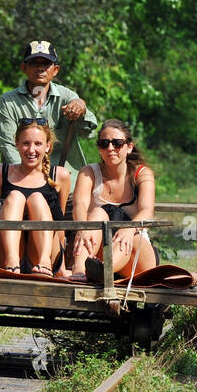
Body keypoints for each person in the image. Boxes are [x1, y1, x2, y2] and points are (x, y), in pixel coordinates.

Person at [69, 119, 157, 282]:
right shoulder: (88, 173)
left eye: (117, 143)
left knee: (126, 238)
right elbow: (79, 205)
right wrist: (82, 228)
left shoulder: (142, 174)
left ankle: (103, 272)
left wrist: (129, 229)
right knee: (95, 215)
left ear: (129, 147)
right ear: (99, 148)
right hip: (97, 252)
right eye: (104, 143)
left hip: (136, 253)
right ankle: (80, 269)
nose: (110, 148)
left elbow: (147, 211)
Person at [0, 40, 98, 176]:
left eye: (46, 64)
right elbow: (8, 146)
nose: (40, 68)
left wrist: (82, 109)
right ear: (23, 68)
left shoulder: (67, 96)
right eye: (34, 63)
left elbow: (88, 133)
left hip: (65, 178)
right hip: (21, 178)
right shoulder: (9, 101)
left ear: (55, 70)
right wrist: (31, 178)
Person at [0, 119, 71, 276]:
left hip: (42, 252)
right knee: (15, 196)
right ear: (16, 143)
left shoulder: (60, 176)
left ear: (48, 146)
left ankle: (44, 261)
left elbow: (60, 225)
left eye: (38, 144)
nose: (31, 150)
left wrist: (63, 268)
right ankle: (12, 260)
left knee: (37, 198)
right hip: (4, 253)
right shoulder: (0, 172)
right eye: (26, 143)